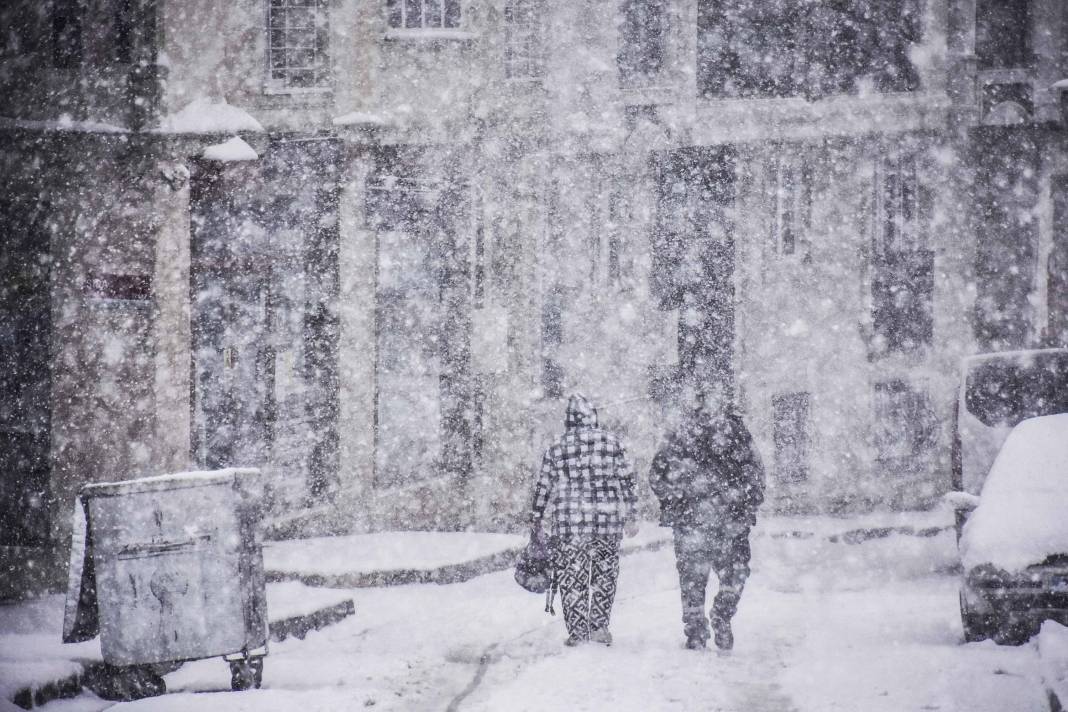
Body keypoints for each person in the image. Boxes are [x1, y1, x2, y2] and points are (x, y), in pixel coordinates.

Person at [649, 399, 765, 651]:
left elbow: (657, 475)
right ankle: (720, 615)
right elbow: (756, 473)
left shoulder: (679, 433)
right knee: (734, 574)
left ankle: (697, 631)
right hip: (729, 520)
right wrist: (747, 505)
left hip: (693, 520)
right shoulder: (735, 430)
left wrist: (674, 501)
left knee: (693, 579)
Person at [530, 393, 639, 647]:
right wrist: (632, 513)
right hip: (607, 523)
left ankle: (578, 631)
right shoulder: (612, 443)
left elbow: (543, 486)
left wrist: (536, 516)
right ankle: (599, 627)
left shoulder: (556, 447)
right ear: (594, 417)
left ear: (569, 420)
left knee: (572, 579)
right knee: (604, 577)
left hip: (570, 525)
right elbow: (627, 481)